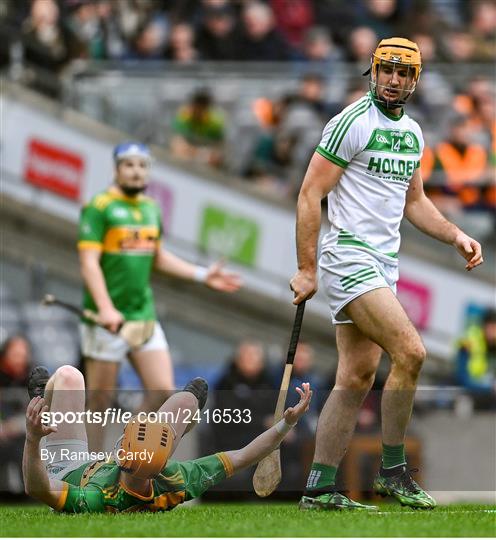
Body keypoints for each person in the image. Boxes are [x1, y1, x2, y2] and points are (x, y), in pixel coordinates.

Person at [290, 37, 483, 511]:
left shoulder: (414, 134)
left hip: (383, 263)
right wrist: (306, 268)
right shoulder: (351, 122)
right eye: (385, 70)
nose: (393, 80)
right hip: (348, 256)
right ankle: (395, 472)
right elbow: (309, 194)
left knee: (356, 376)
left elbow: (414, 202)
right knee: (411, 352)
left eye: (403, 73)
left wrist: (455, 234)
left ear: (415, 80)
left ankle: (318, 489)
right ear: (372, 71)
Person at [78, 141, 241, 451]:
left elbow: (158, 257)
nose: (136, 171)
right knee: (99, 402)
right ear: (116, 169)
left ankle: (124, 451)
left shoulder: (151, 208)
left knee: (162, 391)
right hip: (106, 319)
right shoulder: (98, 207)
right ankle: (89, 474)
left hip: (143, 314)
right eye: (129, 165)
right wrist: (105, 308)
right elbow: (88, 263)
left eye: (142, 165)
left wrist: (202, 274)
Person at [22, 365, 312, 513]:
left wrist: (34, 439)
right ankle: (190, 410)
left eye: (125, 440)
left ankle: (40, 402)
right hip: (122, 466)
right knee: (187, 401)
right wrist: (286, 424)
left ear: (122, 456)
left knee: (68, 376)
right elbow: (242, 457)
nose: (123, 437)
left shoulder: (98, 498)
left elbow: (38, 488)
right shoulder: (174, 479)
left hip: (68, 471)